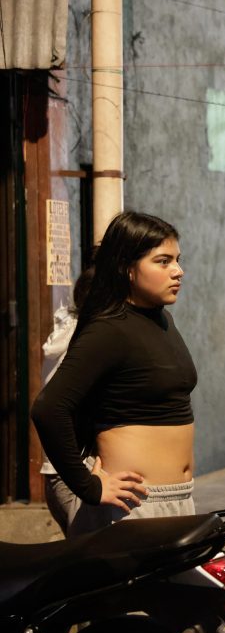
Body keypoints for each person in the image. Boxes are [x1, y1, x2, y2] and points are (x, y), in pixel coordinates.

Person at [31, 212, 195, 535]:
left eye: (177, 260)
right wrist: (89, 486)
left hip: (178, 498)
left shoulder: (163, 322)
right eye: (163, 261)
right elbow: (49, 409)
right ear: (126, 268)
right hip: (131, 506)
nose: (178, 271)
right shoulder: (110, 329)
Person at [38, 267, 93, 536]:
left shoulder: (65, 329)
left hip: (57, 472)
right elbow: (48, 408)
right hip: (75, 472)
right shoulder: (86, 340)